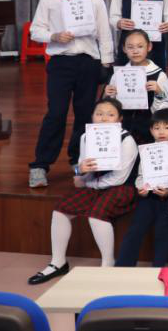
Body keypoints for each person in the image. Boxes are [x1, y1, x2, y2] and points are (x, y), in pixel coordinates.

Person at [28, 98, 139, 284]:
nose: (104, 118)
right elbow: (81, 169)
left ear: (120, 119)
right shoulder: (86, 137)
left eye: (110, 115)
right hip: (94, 183)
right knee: (60, 210)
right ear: (92, 116)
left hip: (121, 187)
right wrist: (80, 171)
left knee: (97, 215)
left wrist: (88, 183)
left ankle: (108, 263)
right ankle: (58, 263)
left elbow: (119, 178)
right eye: (99, 114)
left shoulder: (127, 140)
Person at [28, 0, 113, 189]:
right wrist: (54, 36)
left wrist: (107, 62)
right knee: (56, 113)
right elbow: (36, 30)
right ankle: (40, 165)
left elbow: (104, 32)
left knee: (85, 115)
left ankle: (78, 162)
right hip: (61, 62)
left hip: (88, 62)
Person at [116, 109, 168, 268]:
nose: (161, 132)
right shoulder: (146, 150)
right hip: (149, 197)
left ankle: (158, 268)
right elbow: (140, 176)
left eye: (167, 127)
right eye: (157, 128)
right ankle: (122, 268)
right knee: (136, 228)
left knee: (163, 229)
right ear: (151, 130)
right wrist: (142, 189)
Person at [103, 29, 168, 145]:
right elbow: (111, 106)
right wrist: (108, 94)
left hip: (149, 130)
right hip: (123, 128)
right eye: (130, 47)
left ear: (149, 47)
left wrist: (158, 92)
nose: (135, 51)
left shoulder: (159, 75)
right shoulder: (119, 74)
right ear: (124, 49)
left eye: (140, 46)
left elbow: (164, 110)